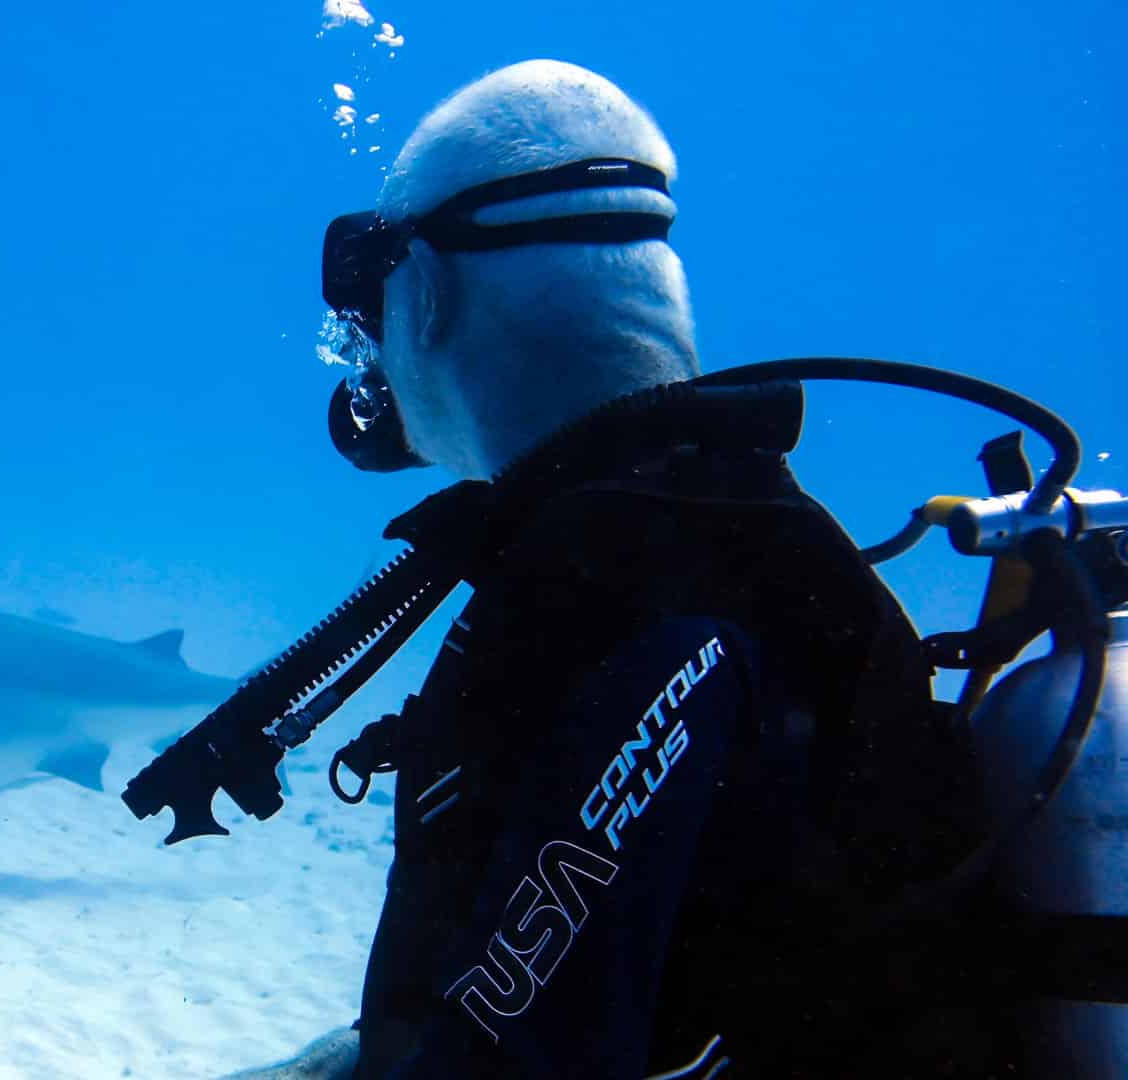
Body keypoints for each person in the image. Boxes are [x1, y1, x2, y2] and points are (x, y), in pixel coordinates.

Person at [226, 59, 1019, 1078]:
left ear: (421, 300)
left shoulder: (604, 599)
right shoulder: (768, 546)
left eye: (369, 306)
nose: (364, 351)